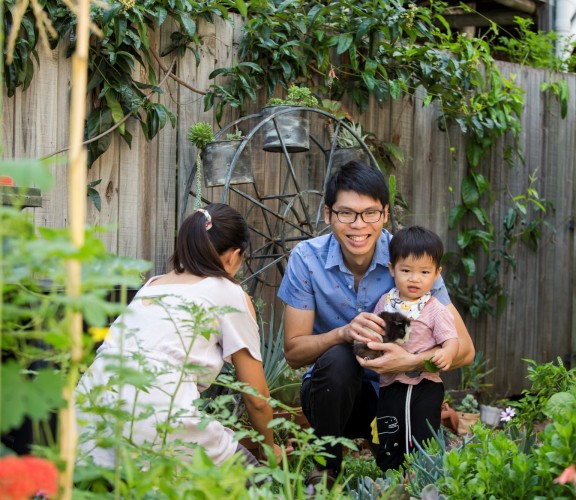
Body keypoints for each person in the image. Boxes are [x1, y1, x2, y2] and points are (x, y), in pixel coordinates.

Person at [278, 161, 474, 486]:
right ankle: (325, 470)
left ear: (385, 214)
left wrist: (409, 360)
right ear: (328, 214)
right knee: (340, 356)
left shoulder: (411, 262)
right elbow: (294, 353)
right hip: (331, 399)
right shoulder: (306, 259)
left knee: (406, 473)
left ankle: (405, 470)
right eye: (346, 213)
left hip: (395, 396)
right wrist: (342, 333)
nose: (359, 225)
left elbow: (465, 351)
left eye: (370, 213)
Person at [76, 203, 282, 468]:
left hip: (89, 415)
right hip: (159, 417)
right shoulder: (228, 292)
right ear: (234, 257)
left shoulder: (151, 287)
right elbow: (256, 397)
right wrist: (269, 448)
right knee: (255, 483)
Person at [372, 225, 459, 472]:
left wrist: (447, 353)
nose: (414, 278)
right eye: (406, 270)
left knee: (421, 433)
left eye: (424, 272)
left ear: (436, 274)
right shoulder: (386, 302)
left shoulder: (434, 308)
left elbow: (452, 340)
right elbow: (376, 333)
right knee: (390, 429)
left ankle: (422, 475)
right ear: (392, 269)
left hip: (424, 384)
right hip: (390, 384)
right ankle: (390, 477)